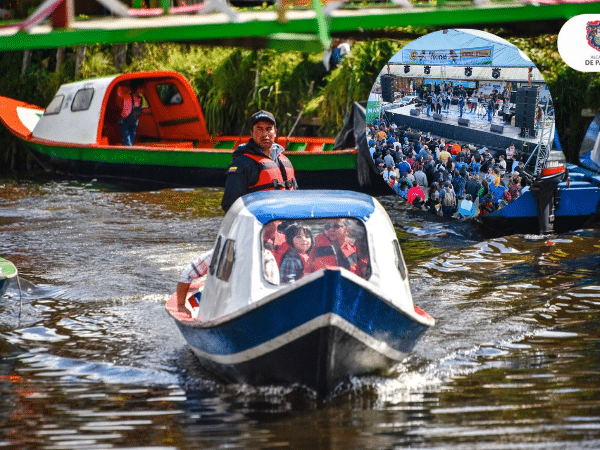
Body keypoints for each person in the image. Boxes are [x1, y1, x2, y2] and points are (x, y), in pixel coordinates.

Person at [221, 111, 297, 212]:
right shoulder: (243, 163)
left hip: (286, 224)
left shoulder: (285, 160)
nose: (265, 134)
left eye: (269, 129)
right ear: (251, 133)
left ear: (275, 132)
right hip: (259, 225)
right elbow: (230, 205)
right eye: (259, 129)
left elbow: (296, 197)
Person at [117, 80, 143, 146]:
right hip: (124, 123)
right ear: (136, 89)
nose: (143, 90)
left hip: (133, 123)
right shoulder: (128, 97)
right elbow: (119, 94)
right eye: (141, 88)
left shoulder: (140, 99)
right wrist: (120, 84)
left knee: (131, 142)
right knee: (128, 143)